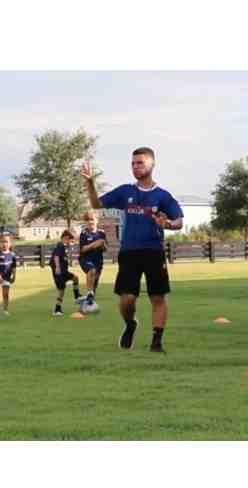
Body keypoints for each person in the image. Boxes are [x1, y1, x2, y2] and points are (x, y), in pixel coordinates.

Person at [81, 147, 183, 353]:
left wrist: (168, 224)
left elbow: (179, 221)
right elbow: (96, 204)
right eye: (133, 163)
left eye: (140, 163)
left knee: (158, 297)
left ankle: (156, 341)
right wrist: (90, 184)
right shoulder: (125, 191)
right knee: (127, 298)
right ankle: (130, 324)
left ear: (152, 165)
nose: (135, 167)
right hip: (129, 252)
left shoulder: (163, 196)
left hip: (154, 251)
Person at [50, 230, 83, 316]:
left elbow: (62, 258)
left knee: (75, 277)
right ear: (66, 238)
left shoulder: (63, 247)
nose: (72, 243)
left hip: (64, 272)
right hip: (59, 273)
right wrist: (57, 267)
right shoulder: (60, 246)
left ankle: (77, 296)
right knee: (61, 291)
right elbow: (56, 256)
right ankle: (57, 309)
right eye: (71, 241)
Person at [78, 210, 107, 306]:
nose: (90, 222)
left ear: (96, 220)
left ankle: (88, 300)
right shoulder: (84, 233)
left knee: (94, 283)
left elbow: (105, 249)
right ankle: (89, 294)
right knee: (92, 271)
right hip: (86, 259)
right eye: (87, 220)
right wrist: (94, 244)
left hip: (98, 260)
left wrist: (102, 244)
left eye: (92, 219)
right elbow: (83, 249)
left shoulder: (101, 233)